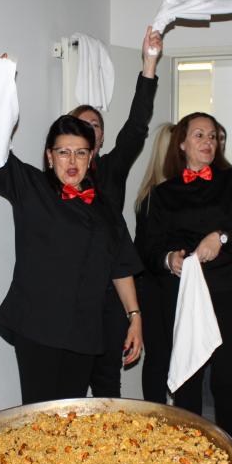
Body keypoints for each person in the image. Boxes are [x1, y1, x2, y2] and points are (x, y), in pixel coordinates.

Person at [0, 114, 144, 404]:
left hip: (85, 329)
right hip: (39, 326)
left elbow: (121, 266)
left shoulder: (105, 206)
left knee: (71, 413)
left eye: (80, 152)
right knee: (40, 416)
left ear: (91, 157)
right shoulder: (32, 186)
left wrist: (134, 317)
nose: (72, 161)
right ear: (50, 156)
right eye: (63, 152)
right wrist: (2, 90)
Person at [141, 112, 232, 443]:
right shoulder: (162, 194)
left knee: (227, 380)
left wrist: (222, 237)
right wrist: (169, 259)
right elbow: (148, 247)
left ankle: (230, 453)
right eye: (199, 135)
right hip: (184, 297)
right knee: (188, 380)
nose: (208, 141)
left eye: (212, 136)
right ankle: (191, 454)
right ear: (181, 144)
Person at [69, 26, 162, 398]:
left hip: (111, 291)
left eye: (96, 126)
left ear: (102, 138)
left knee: (108, 386)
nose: (89, 130)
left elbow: (136, 127)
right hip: (70, 297)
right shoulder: (50, 182)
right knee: (70, 390)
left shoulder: (110, 169)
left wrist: (149, 65)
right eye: (81, 125)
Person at [133, 122, 174, 404]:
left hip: (164, 287)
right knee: (159, 358)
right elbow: (147, 251)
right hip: (156, 288)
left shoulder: (151, 195)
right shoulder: (153, 198)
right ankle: (158, 417)